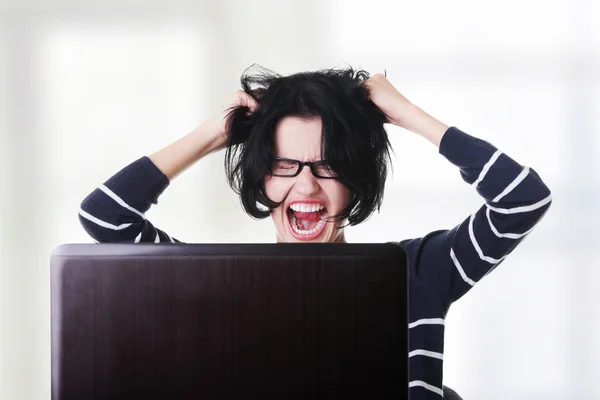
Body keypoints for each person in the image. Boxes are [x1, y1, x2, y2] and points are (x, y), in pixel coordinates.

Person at [78, 66, 553, 399]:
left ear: (356, 181)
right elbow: (104, 215)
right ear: (263, 177)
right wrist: (214, 134)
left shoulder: (415, 273)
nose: (305, 186)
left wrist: (407, 115)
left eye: (328, 166)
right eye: (284, 165)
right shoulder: (214, 284)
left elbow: (522, 199)